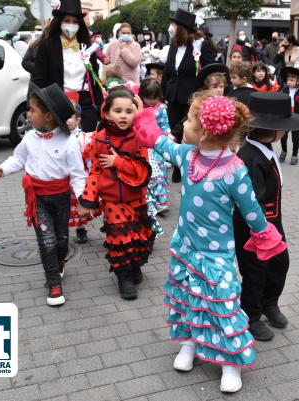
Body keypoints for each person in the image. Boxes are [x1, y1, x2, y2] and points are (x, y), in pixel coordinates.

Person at [134, 92, 288, 393]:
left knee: (222, 305)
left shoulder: (234, 170)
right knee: (187, 296)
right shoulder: (186, 155)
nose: (184, 124)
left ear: (203, 131)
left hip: (216, 254)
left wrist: (264, 236)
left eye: (190, 120)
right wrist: (145, 115)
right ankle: (190, 343)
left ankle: (231, 362)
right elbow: (158, 141)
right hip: (185, 248)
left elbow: (252, 210)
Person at [0, 83, 86, 306]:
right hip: (38, 199)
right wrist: (2, 169)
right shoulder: (30, 138)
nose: (29, 114)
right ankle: (53, 282)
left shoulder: (69, 142)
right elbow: (18, 159)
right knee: (46, 242)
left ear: (49, 117)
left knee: (62, 240)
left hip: (62, 197)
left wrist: (83, 199)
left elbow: (78, 174)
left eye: (32, 110)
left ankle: (59, 263)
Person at [234, 92, 299, 341]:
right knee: (255, 271)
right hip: (253, 226)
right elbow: (250, 200)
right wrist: (260, 228)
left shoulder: (264, 150)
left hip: (272, 222)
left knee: (279, 263)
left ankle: (269, 302)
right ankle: (251, 315)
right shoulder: (250, 158)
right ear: (276, 131)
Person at [77, 89, 155, 300]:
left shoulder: (140, 137)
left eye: (128, 111)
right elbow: (95, 170)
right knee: (120, 240)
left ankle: (135, 266)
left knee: (141, 238)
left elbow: (143, 169)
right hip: (112, 201)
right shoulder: (100, 139)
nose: (123, 115)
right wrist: (88, 198)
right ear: (107, 113)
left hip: (136, 199)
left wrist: (117, 161)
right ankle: (124, 278)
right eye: (117, 110)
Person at [31, 0, 104, 132]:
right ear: (59, 21)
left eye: (75, 21)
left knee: (85, 147)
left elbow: (94, 79)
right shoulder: (47, 45)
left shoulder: (87, 47)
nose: (71, 25)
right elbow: (38, 80)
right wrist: (38, 109)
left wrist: (101, 108)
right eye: (67, 20)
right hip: (57, 105)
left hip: (85, 105)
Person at [161, 9, 216, 182]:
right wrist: (163, 93)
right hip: (174, 97)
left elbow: (209, 71)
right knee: (175, 132)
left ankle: (193, 166)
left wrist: (206, 94)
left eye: (174, 25)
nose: (171, 28)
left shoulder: (201, 46)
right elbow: (168, 72)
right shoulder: (174, 46)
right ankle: (178, 166)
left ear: (182, 28)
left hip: (192, 98)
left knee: (190, 133)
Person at [139, 77, 171, 235]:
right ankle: (150, 200)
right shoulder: (138, 107)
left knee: (160, 170)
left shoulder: (161, 108)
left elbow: (165, 125)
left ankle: (161, 201)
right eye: (148, 97)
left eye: (155, 98)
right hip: (143, 145)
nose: (151, 101)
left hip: (158, 144)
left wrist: (167, 136)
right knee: (149, 172)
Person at [66, 101, 99, 243]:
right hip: (64, 179)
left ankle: (81, 229)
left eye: (69, 117)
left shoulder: (83, 138)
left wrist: (91, 177)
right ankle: (63, 231)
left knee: (81, 204)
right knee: (69, 206)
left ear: (78, 120)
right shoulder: (59, 137)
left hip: (81, 177)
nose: (65, 121)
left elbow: (90, 160)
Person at [279, 66, 299, 165]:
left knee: (295, 138)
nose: (289, 82)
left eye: (292, 80)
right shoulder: (284, 90)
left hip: (297, 118)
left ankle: (294, 155)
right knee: (283, 136)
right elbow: (279, 102)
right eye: (288, 80)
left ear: (298, 82)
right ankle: (284, 151)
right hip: (286, 117)